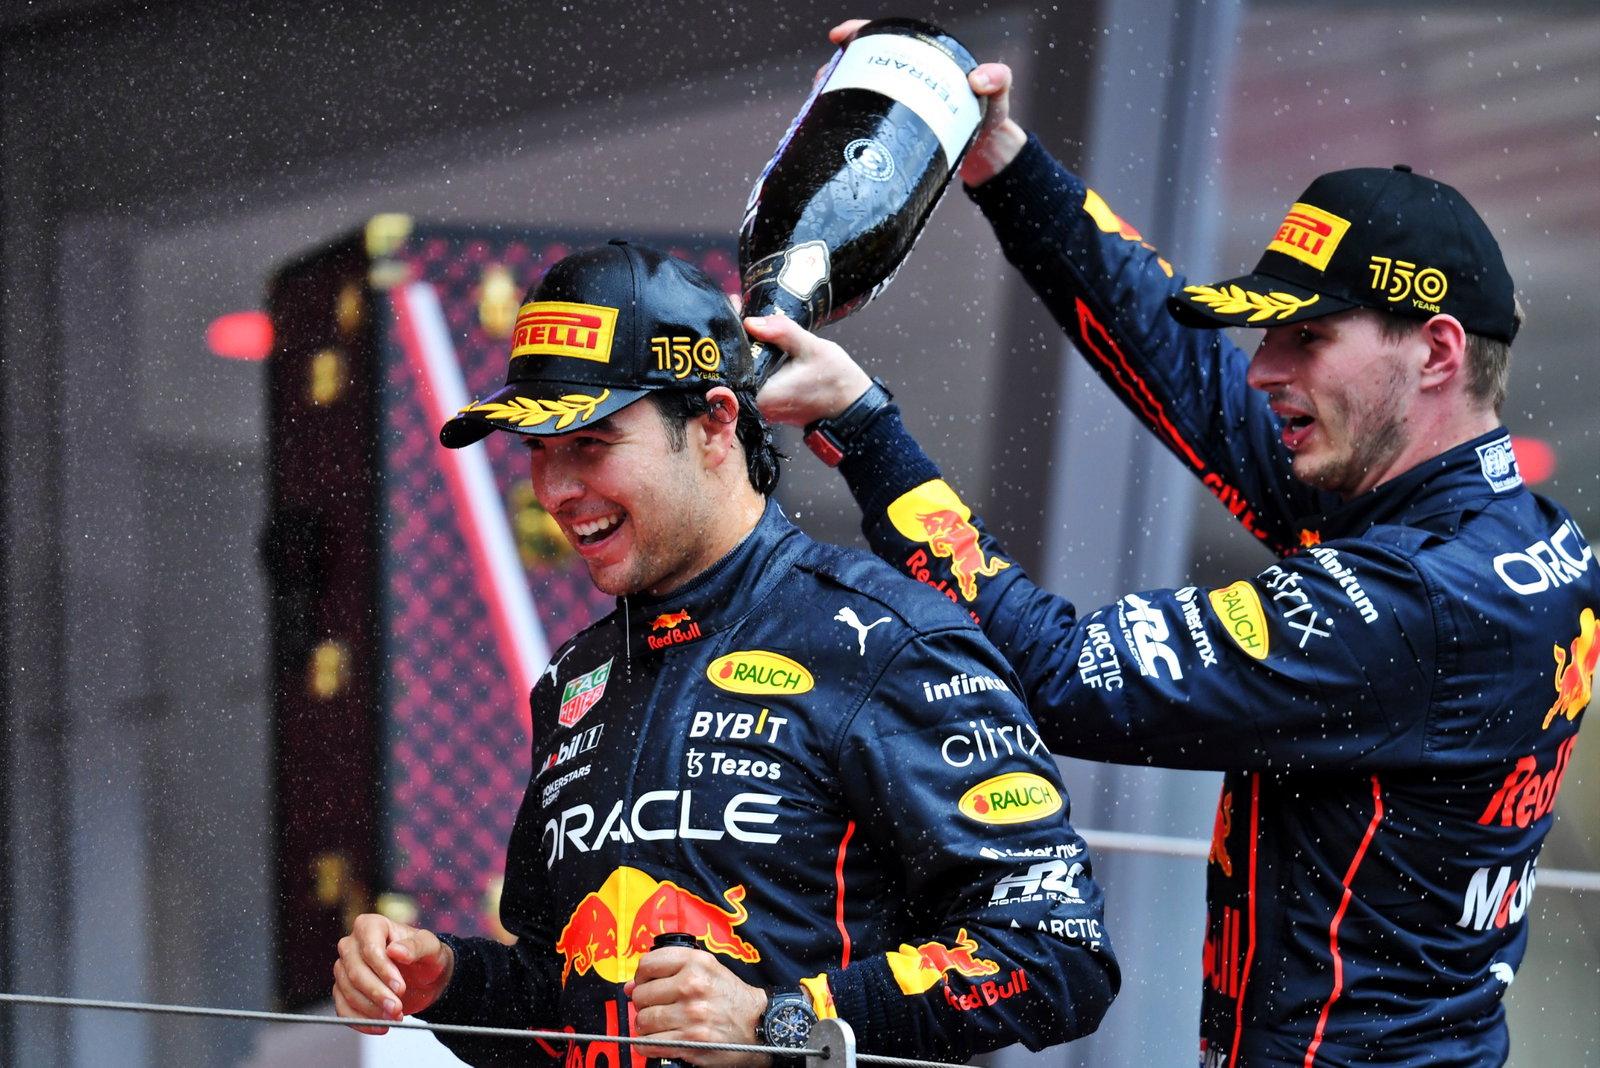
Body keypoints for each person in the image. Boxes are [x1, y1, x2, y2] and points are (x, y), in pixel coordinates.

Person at [750, 21, 1598, 1068]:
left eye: (1306, 337)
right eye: (1267, 332)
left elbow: (1061, 674)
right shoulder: (1482, 523)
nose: (1263, 369)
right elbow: (1185, 368)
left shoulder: (1416, 596)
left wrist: (867, 429)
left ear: (1434, 352)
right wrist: (1001, 160)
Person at [330, 239, 1119, 1066]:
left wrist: (780, 1023)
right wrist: (446, 981)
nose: (556, 490)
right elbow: (569, 1007)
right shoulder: (575, 679)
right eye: (536, 449)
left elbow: (1056, 952)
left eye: (590, 442)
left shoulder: (887, 638)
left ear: (714, 423)